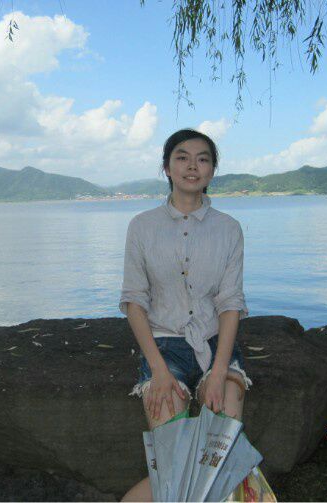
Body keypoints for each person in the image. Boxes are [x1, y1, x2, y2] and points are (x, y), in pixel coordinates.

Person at [118, 128, 253, 502]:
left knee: (218, 452)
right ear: (167, 167)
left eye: (203, 159)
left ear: (211, 171)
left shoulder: (229, 229)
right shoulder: (142, 226)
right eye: (182, 157)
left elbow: (230, 303)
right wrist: (158, 371)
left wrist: (220, 371)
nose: (192, 166)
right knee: (177, 459)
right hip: (164, 347)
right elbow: (134, 302)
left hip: (216, 345)